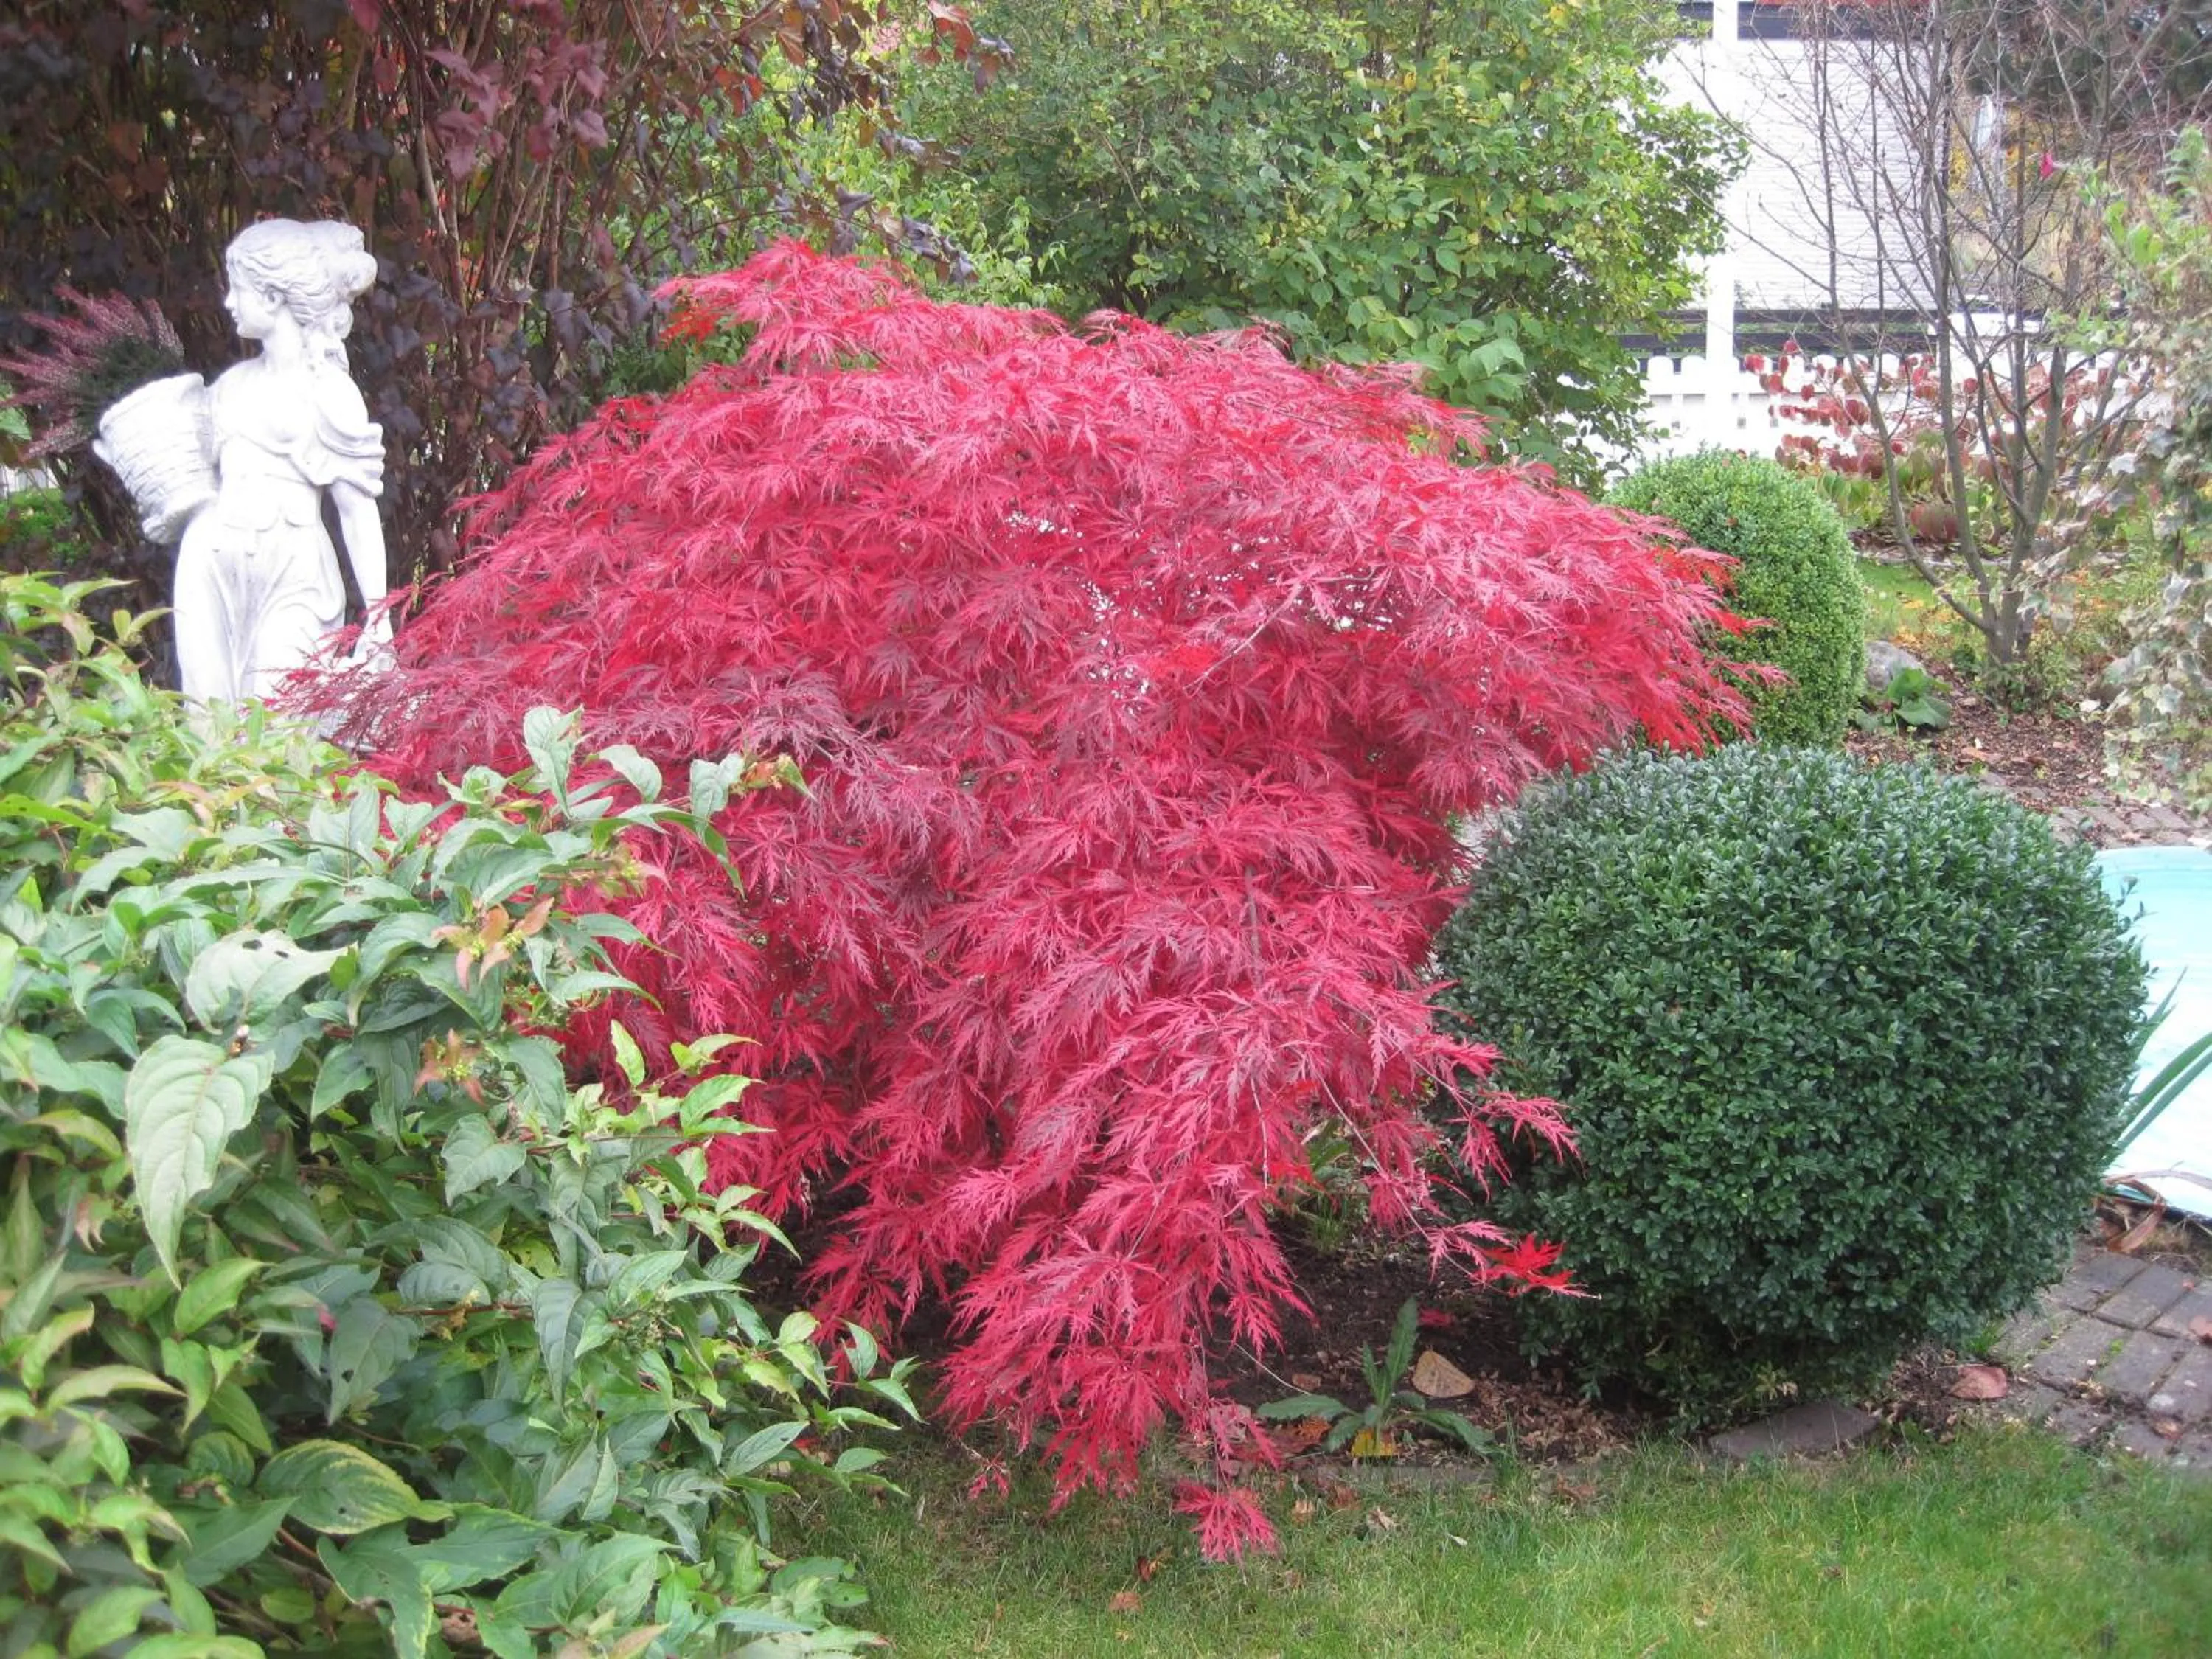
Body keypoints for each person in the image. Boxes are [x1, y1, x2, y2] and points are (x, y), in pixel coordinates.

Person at [171, 218, 390, 702]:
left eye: (239, 290)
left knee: (279, 724)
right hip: (209, 560)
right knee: (207, 718)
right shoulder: (230, 385)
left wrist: (380, 620)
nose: (228, 303)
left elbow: (357, 511)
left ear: (272, 297)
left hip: (293, 570)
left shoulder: (329, 391)